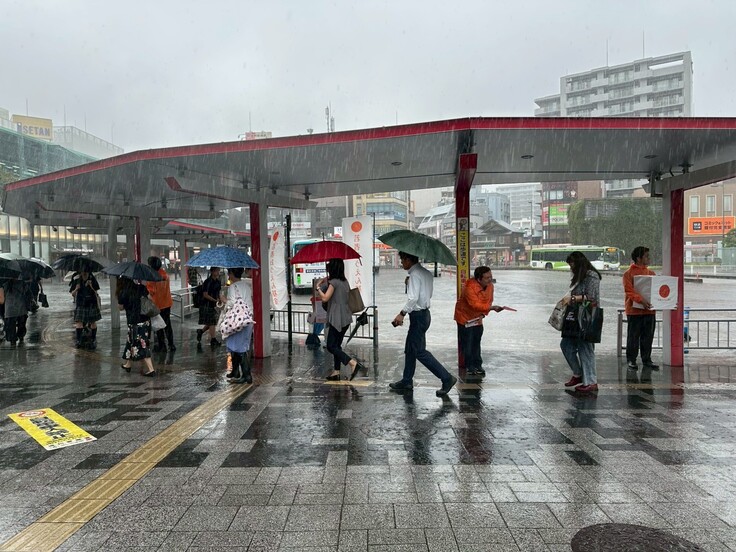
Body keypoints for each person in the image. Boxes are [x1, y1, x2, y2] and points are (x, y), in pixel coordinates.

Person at [389, 251, 457, 397]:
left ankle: (446, 378)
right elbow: (426, 294)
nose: (402, 263)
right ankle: (407, 380)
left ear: (408, 259)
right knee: (410, 349)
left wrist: (402, 313)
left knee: (419, 351)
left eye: (402, 260)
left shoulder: (414, 275)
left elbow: (413, 299)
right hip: (424, 315)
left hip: (418, 316)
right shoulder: (426, 273)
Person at [560, 251, 602, 393]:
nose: (570, 267)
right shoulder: (578, 276)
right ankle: (578, 374)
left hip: (587, 317)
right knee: (566, 345)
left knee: (586, 348)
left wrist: (573, 299)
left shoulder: (592, 276)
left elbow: (592, 297)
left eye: (572, 264)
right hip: (575, 317)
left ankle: (591, 382)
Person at [316, 258, 364, 381]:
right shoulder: (344, 281)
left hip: (336, 318)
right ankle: (336, 371)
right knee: (337, 345)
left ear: (332, 269)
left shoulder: (334, 283)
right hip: (346, 317)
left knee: (331, 346)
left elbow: (325, 298)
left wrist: (318, 288)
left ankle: (352, 363)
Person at [454, 266, 503, 377]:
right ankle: (470, 366)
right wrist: (491, 308)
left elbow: (489, 301)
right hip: (465, 318)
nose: (490, 280)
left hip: (478, 317)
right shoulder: (469, 287)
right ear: (478, 279)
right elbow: (474, 305)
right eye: (487, 278)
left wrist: (483, 314)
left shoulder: (490, 286)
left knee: (476, 341)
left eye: (491, 277)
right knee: (467, 342)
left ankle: (478, 364)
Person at [623, 246, 659, 371]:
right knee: (633, 337)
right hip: (634, 311)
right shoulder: (628, 274)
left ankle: (646, 359)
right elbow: (629, 291)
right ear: (638, 258)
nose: (649, 258)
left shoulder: (651, 273)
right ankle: (631, 360)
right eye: (646, 256)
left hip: (649, 310)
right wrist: (641, 300)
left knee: (648, 336)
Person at [221, 267, 254, 383]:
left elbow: (231, 303)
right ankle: (235, 371)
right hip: (247, 319)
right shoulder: (246, 286)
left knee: (239, 348)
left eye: (229, 273)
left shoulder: (232, 287)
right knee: (237, 346)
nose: (228, 275)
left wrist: (223, 299)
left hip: (237, 321)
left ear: (232, 273)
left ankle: (246, 375)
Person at [117, 276, 155, 376]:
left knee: (142, 344)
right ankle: (128, 365)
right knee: (131, 342)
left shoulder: (123, 292)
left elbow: (120, 307)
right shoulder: (141, 287)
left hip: (134, 322)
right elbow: (150, 299)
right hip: (145, 320)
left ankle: (151, 369)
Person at [146, 256, 175, 352]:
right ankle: (171, 344)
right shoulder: (164, 274)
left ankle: (162, 346)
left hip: (157, 305)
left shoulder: (152, 277)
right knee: (167, 325)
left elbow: (151, 292)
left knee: (159, 326)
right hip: (167, 303)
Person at [70, 267, 101, 350]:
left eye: (86, 272)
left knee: (92, 322)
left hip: (91, 303)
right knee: (79, 322)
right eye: (83, 272)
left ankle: (93, 339)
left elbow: (96, 292)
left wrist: (91, 286)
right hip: (81, 304)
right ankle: (78, 340)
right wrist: (76, 289)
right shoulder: (77, 280)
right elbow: (72, 294)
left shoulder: (92, 279)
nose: (84, 274)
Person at [196, 266, 222, 348]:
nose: (218, 272)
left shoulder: (218, 282)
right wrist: (215, 300)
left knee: (211, 322)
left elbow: (218, 292)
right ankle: (213, 340)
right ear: (212, 271)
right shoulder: (207, 282)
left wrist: (219, 299)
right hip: (206, 304)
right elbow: (205, 294)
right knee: (212, 322)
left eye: (218, 271)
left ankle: (201, 331)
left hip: (214, 304)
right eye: (216, 271)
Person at [1, 279, 28, 347]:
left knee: (10, 326)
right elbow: (28, 294)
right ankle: (21, 336)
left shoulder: (5, 284)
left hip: (9, 309)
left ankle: (13, 341)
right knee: (21, 324)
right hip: (21, 307)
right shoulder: (22, 283)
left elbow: (2, 298)